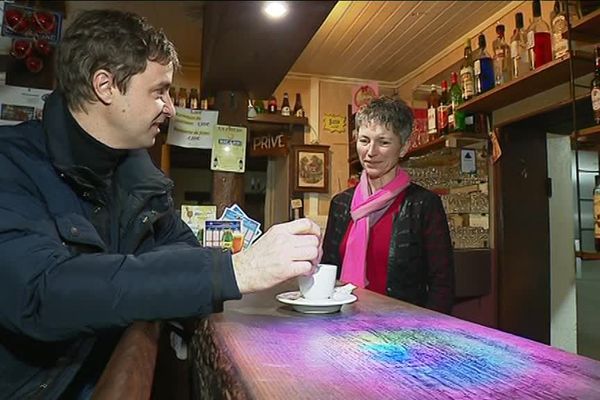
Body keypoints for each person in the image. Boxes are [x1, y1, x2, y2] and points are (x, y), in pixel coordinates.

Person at [0, 9, 321, 400]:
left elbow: (181, 252)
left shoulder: (141, 179)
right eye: (158, 91)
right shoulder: (10, 165)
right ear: (105, 86)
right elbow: (40, 294)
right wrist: (235, 270)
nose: (170, 108)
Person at [321, 96, 454, 314]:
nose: (371, 152)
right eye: (364, 140)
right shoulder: (341, 204)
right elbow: (328, 270)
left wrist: (428, 332)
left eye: (383, 142)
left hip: (403, 332)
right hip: (344, 325)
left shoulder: (423, 204)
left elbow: (442, 283)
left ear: (403, 148)